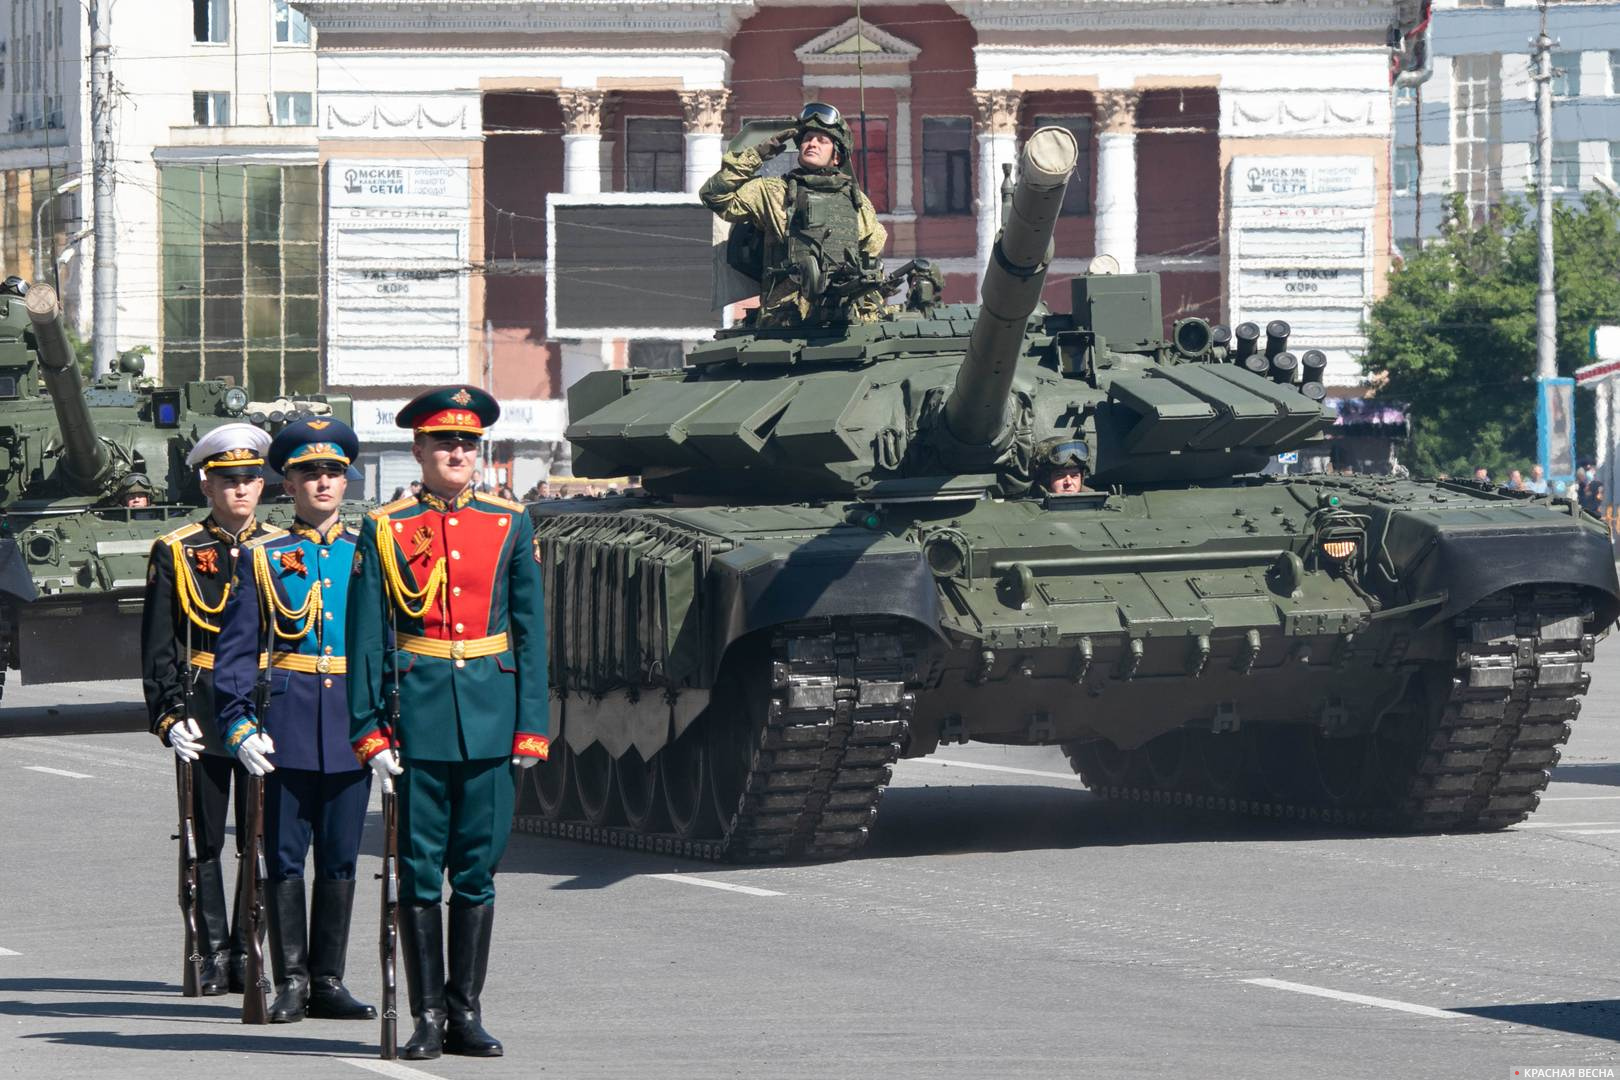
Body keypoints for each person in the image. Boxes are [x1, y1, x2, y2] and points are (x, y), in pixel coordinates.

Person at [347, 385, 549, 1060]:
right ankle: (427, 1017)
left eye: (466, 443)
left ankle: (466, 1014)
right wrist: (370, 730)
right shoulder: (387, 526)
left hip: (491, 719)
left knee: (478, 873)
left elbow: (529, 632)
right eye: (443, 442)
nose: (456, 452)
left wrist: (531, 725)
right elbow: (367, 638)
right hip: (418, 719)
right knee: (418, 873)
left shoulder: (508, 522)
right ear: (418, 449)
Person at [213, 418, 375, 1025]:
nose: (324, 482)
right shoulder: (264, 556)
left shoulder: (368, 553)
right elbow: (233, 653)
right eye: (310, 472)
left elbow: (389, 646)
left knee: (339, 859)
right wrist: (238, 726)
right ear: (288, 483)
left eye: (334, 472)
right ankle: (292, 980)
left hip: (352, 727)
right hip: (285, 724)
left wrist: (390, 726)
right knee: (283, 858)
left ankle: (329, 979)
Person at [142, 425, 278, 996]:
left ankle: (252, 950)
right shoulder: (177, 550)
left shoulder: (281, 547)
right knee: (203, 837)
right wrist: (169, 715)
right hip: (201, 700)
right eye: (229, 480)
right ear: (206, 484)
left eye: (250, 479)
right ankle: (211, 949)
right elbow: (159, 644)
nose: (241, 490)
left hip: (265, 701)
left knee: (262, 836)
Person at [700, 101, 887, 327]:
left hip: (842, 325)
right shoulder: (773, 192)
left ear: (836, 156)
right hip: (784, 322)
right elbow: (714, 196)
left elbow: (871, 256)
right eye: (807, 138)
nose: (812, 144)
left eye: (822, 140)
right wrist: (756, 156)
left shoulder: (858, 202)